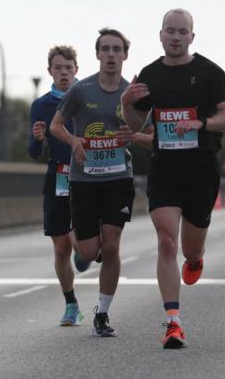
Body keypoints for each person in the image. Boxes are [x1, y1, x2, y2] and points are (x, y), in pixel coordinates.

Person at [121, 9, 225, 348]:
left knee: (190, 246)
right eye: (170, 31)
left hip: (201, 169)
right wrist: (128, 103)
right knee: (167, 242)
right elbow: (137, 124)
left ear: (191, 37)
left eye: (182, 31)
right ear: (160, 35)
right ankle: (173, 321)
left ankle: (197, 258)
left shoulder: (210, 72)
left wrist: (202, 123)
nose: (175, 36)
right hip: (165, 168)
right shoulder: (149, 74)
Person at [50, 28, 152, 337]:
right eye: (105, 49)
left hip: (118, 179)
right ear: (97, 54)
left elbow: (152, 137)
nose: (110, 54)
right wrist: (74, 141)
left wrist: (132, 136)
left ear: (125, 55)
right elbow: (56, 126)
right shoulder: (82, 90)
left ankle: (103, 314)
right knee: (89, 248)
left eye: (116, 49)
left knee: (111, 247)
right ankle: (84, 248)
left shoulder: (132, 94)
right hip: (83, 179)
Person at [28, 44, 83, 327]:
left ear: (77, 70)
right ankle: (71, 304)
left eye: (68, 68)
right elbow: (33, 153)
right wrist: (37, 139)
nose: (64, 72)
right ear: (50, 71)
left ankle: (86, 253)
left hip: (89, 176)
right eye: (58, 68)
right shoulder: (41, 105)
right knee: (61, 247)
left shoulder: (87, 98)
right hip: (57, 179)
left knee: (84, 247)